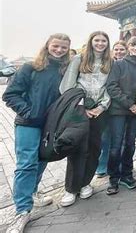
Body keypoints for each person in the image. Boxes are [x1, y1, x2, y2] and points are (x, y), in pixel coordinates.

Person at [3, 34, 71, 233]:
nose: (59, 50)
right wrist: (29, 112)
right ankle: (22, 211)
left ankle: (33, 191)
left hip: (50, 126)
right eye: (56, 46)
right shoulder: (31, 67)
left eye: (63, 48)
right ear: (47, 45)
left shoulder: (64, 71)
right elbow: (10, 94)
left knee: (42, 159)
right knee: (26, 164)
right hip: (28, 123)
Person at [59, 31, 112, 207]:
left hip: (99, 111)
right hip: (79, 110)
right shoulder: (79, 59)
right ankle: (71, 188)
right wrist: (82, 107)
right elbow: (67, 86)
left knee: (94, 148)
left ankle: (85, 183)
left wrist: (101, 106)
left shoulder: (109, 62)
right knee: (78, 148)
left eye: (103, 41)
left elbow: (109, 87)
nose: (100, 43)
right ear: (91, 41)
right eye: (97, 40)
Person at [104, 36, 136, 195]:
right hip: (119, 110)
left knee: (130, 143)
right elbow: (112, 86)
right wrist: (129, 104)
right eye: (133, 45)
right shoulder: (119, 64)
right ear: (128, 47)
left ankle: (127, 175)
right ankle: (113, 178)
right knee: (116, 145)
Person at [96, 40, 129, 178]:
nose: (119, 52)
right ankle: (102, 166)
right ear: (112, 51)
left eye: (122, 49)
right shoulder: (107, 64)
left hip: (120, 107)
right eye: (116, 49)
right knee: (105, 139)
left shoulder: (127, 65)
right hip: (105, 107)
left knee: (120, 139)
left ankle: (118, 165)